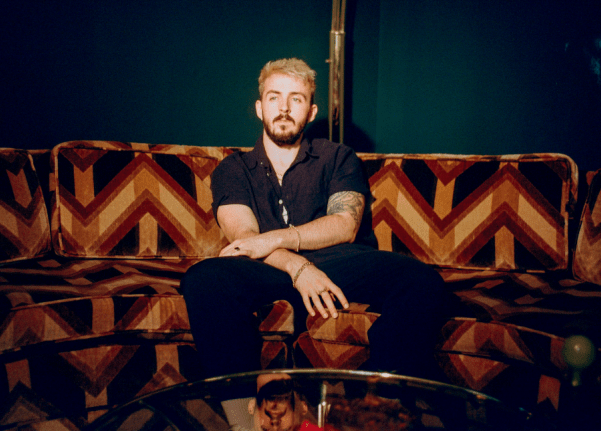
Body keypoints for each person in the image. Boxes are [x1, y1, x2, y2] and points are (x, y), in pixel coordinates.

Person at [181, 58, 445, 383]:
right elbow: (245, 239)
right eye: (274, 97)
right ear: (260, 108)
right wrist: (298, 268)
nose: (284, 108)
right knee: (203, 279)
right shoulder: (233, 169)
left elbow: (345, 224)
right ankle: (239, 408)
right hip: (267, 268)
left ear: (311, 111)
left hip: (337, 262)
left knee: (422, 281)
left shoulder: (338, 157)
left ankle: (380, 397)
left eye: (296, 99)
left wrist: (277, 239)